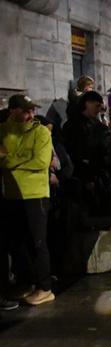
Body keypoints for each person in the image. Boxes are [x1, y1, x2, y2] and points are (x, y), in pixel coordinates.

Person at [0, 95, 55, 305]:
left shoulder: (41, 132)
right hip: (11, 195)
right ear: (12, 110)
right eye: (24, 111)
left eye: (31, 111)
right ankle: (25, 282)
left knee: (38, 242)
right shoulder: (4, 131)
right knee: (16, 242)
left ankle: (45, 287)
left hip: (36, 194)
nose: (30, 115)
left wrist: (7, 160)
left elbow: (40, 162)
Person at [62, 90, 111, 216]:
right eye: (96, 106)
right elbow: (76, 151)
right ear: (87, 103)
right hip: (82, 173)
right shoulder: (75, 125)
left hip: (96, 171)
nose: (99, 109)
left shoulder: (95, 123)